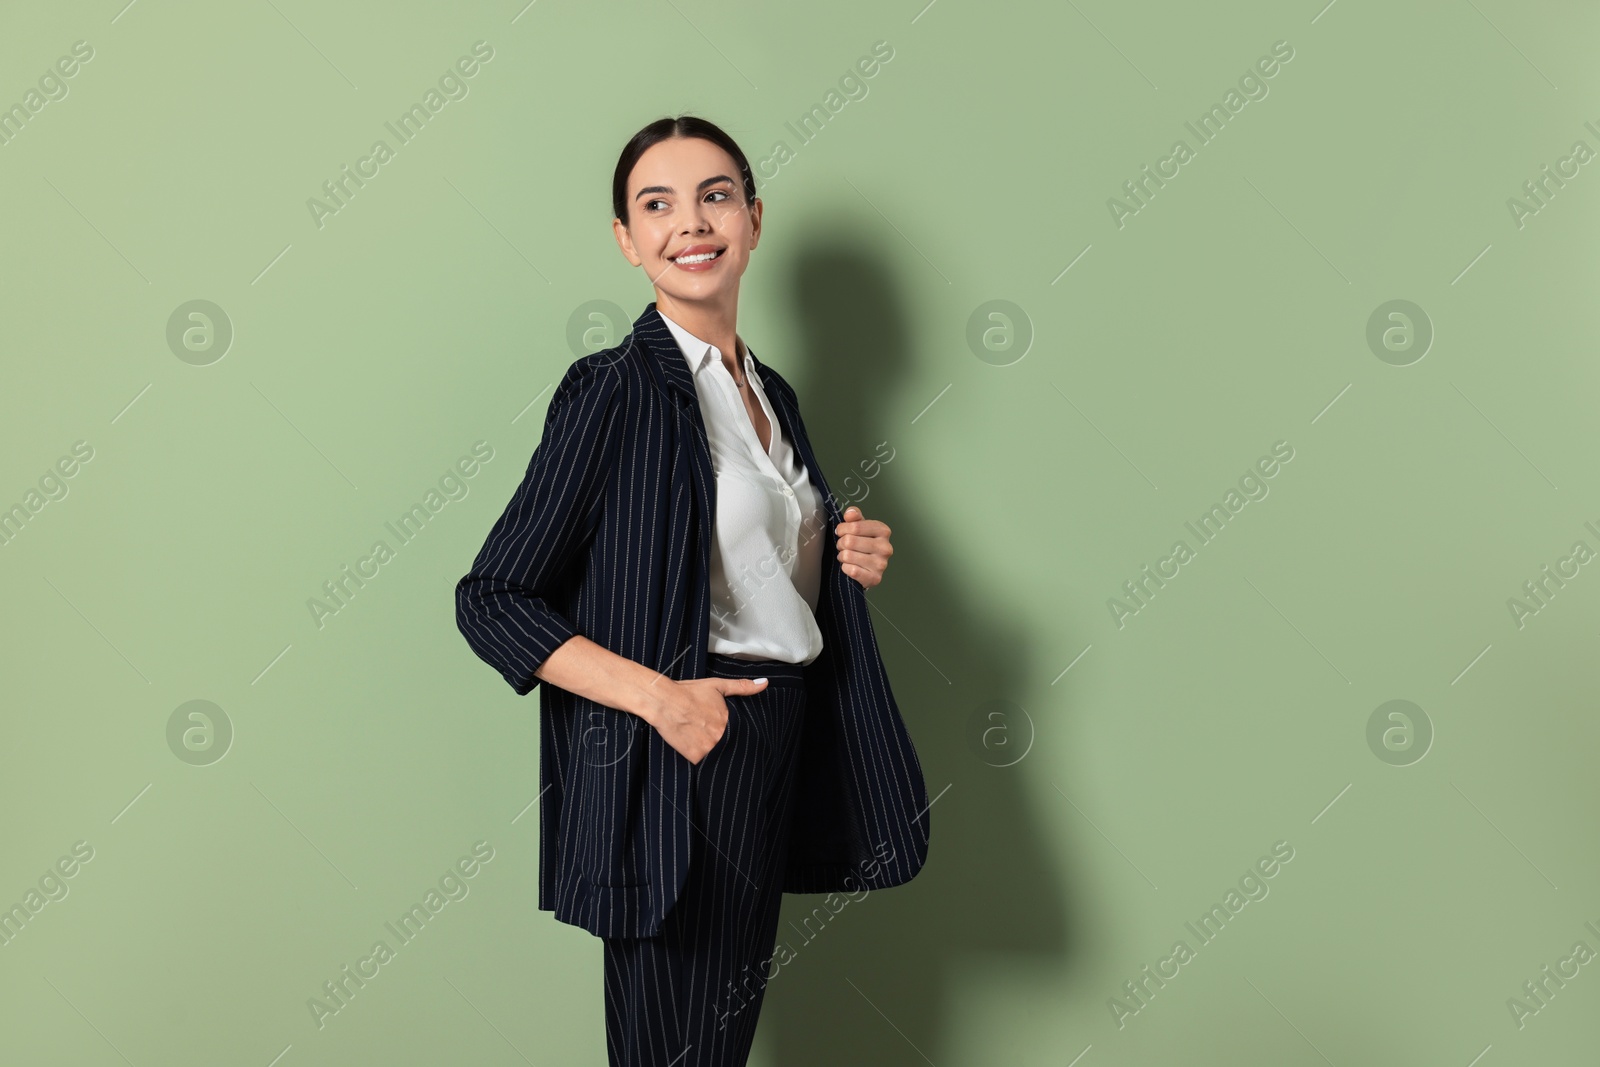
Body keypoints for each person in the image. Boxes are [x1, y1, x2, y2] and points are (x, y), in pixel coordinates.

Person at [455, 114, 930, 1067]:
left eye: (714, 195)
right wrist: (661, 699)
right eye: (656, 204)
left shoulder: (772, 394)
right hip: (685, 754)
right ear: (628, 242)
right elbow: (493, 596)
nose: (691, 222)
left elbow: (747, 572)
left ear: (754, 219)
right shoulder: (614, 390)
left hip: (779, 739)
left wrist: (841, 553)